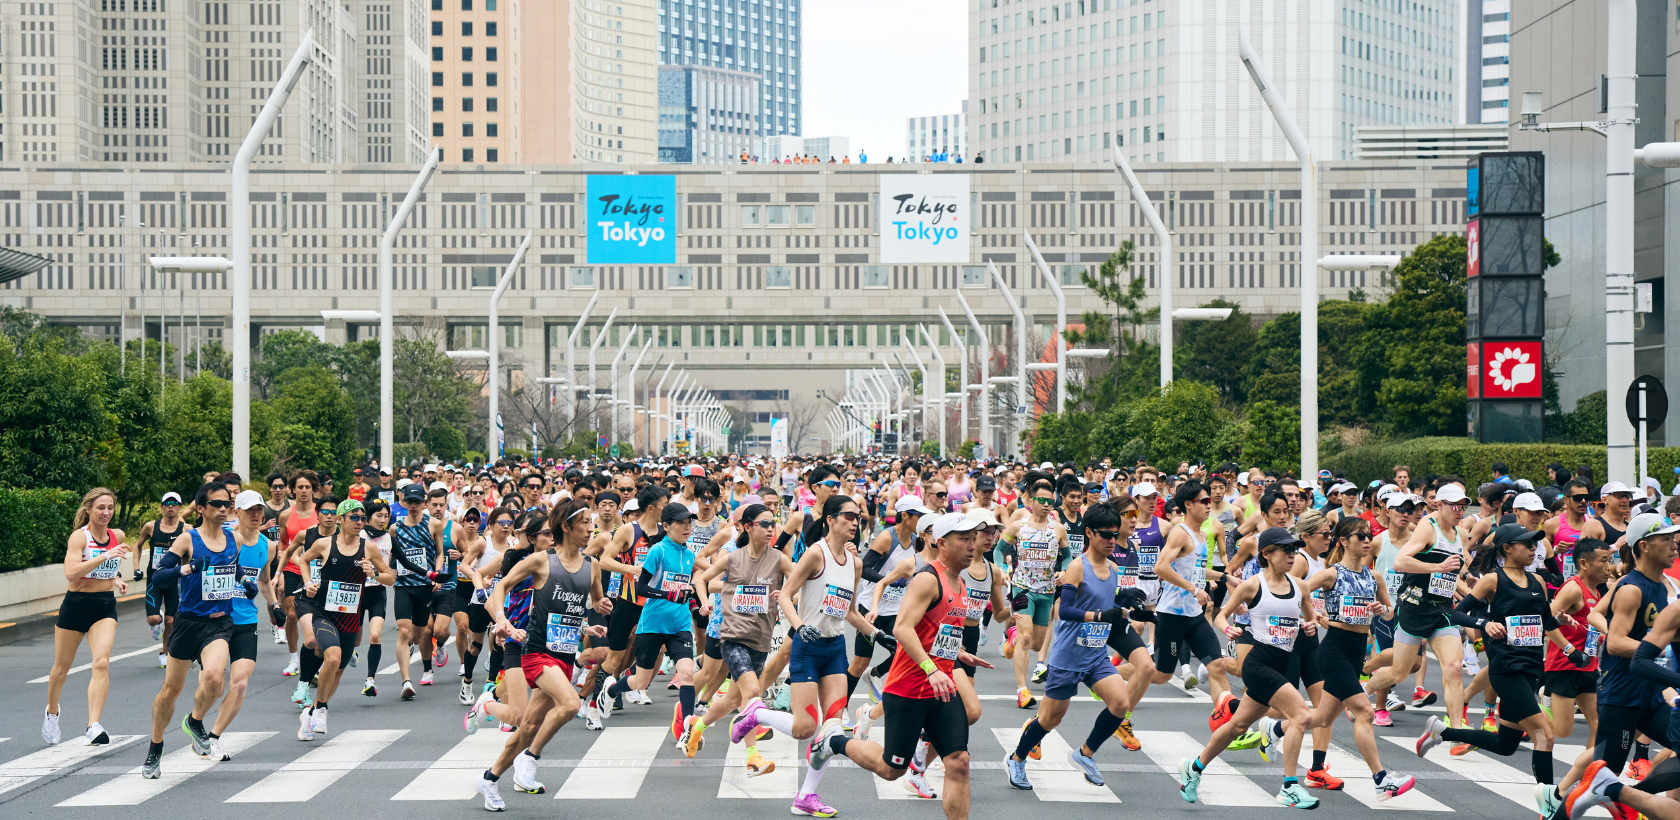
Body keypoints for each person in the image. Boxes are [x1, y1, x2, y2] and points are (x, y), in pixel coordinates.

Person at [790, 512, 992, 820]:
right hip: (909, 690)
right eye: (964, 539)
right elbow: (902, 628)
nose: (972, 545)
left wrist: (958, 653)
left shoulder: (960, 585)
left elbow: (937, 632)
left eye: (972, 538)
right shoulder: (928, 578)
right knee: (891, 769)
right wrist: (932, 668)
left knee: (958, 761)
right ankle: (834, 741)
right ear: (941, 544)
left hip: (941, 690)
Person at [729, 494, 896, 817]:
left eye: (858, 517)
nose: (854, 522)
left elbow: (848, 611)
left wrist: (875, 634)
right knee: (805, 728)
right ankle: (756, 714)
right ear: (830, 520)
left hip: (834, 649)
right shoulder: (814, 555)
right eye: (848, 516)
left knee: (830, 729)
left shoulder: (855, 563)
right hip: (807, 646)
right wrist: (799, 626)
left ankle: (806, 796)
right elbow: (785, 596)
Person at [1417, 524, 1586, 818]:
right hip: (1506, 668)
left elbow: (1546, 621)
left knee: (1505, 745)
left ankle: (1442, 733)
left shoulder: (1538, 581)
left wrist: (1571, 650)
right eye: (1526, 543)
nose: (1534, 548)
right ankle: (1549, 804)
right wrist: (1483, 624)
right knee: (1544, 735)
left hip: (1531, 668)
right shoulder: (1493, 581)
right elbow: (1455, 612)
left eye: (1535, 543)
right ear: (1507, 547)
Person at [1273, 516, 1416, 799]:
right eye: (1360, 536)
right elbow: (1297, 593)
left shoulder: (1374, 576)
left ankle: (1275, 728)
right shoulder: (1331, 574)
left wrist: (1381, 609)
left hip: (1356, 650)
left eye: (1368, 536)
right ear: (1344, 541)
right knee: (1365, 711)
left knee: (1322, 718)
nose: (1366, 541)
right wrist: (1312, 618)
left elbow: (1390, 610)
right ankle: (1381, 780)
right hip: (1334, 649)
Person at [1005, 501, 1145, 790]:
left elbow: (1110, 606)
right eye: (1106, 534)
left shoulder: (1114, 568)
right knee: (1050, 719)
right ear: (1090, 533)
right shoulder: (1077, 567)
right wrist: (1099, 615)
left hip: (1095, 655)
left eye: (1115, 534)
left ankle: (1085, 754)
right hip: (1068, 656)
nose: (1111, 540)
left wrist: (1132, 608)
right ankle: (1017, 758)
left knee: (1120, 703)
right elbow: (1065, 609)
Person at [477, 504, 610, 809]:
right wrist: (503, 620)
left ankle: (489, 778)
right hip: (536, 651)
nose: (591, 529)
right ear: (566, 526)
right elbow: (501, 588)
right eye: (585, 523)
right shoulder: (540, 561)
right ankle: (532, 757)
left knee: (527, 727)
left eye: (591, 524)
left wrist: (602, 608)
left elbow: (596, 599)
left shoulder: (593, 565)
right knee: (571, 703)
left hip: (564, 654)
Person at [1178, 527, 1320, 809]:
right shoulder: (1252, 585)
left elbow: (1308, 617)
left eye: (1294, 550)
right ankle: (1289, 787)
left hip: (1285, 662)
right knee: (1301, 715)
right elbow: (1221, 615)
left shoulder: (1300, 585)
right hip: (1259, 662)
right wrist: (1228, 629)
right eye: (1286, 550)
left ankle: (1193, 768)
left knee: (1238, 726)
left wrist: (1310, 624)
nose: (1292, 555)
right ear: (1267, 554)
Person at [1552, 513, 1680, 809]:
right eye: (1665, 539)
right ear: (1645, 546)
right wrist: (1658, 650)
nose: (1674, 544)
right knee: (1601, 776)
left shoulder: (1661, 586)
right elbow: (1616, 642)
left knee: (1605, 781)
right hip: (1621, 698)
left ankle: (1626, 798)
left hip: (1649, 695)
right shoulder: (1632, 588)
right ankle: (1567, 809)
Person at [141, 482, 259, 778]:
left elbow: (232, 567)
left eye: (226, 504)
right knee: (171, 691)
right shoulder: (187, 540)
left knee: (214, 677)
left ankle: (195, 721)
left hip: (220, 622)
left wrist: (245, 582)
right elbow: (159, 577)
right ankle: (156, 746)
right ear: (202, 508)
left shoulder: (236, 539)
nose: (223, 509)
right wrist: (189, 568)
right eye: (216, 504)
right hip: (188, 622)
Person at [688, 502, 796, 763]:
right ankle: (752, 756)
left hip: (761, 641)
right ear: (748, 527)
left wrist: (789, 595)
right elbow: (700, 579)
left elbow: (803, 580)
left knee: (731, 700)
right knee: (752, 692)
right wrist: (704, 602)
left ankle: (698, 726)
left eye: (774, 523)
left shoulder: (779, 560)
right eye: (765, 524)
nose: (772, 529)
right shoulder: (732, 558)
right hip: (733, 638)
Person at [1363, 483, 1470, 737]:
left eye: (1463, 506)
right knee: (1400, 672)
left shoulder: (1462, 534)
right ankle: (1362, 692)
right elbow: (1401, 562)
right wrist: (1437, 568)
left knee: (1454, 667)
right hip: (1413, 607)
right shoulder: (1426, 528)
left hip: (1442, 610)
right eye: (1454, 505)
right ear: (1440, 505)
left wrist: (1473, 587)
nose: (1460, 510)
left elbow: (1456, 572)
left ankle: (1457, 733)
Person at [594, 502, 704, 746]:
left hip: (680, 625)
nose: (687, 528)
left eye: (689, 523)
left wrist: (694, 603)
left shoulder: (689, 554)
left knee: (687, 673)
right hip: (652, 624)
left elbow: (684, 587)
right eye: (681, 523)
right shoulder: (658, 551)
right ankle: (611, 690)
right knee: (640, 682)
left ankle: (687, 729)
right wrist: (669, 595)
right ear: (666, 526)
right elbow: (641, 586)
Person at [292, 499, 394, 739]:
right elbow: (304, 560)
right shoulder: (324, 544)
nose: (359, 522)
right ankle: (323, 710)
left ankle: (311, 713)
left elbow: (390, 578)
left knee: (337, 671)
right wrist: (307, 583)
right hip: (324, 614)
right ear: (340, 520)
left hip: (351, 618)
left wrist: (375, 574)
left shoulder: (368, 548)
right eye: (354, 518)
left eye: (362, 518)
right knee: (333, 657)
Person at [45, 488, 130, 746]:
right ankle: (51, 712)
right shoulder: (79, 538)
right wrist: (105, 555)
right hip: (75, 606)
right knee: (61, 668)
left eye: (110, 508)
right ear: (89, 510)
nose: (106, 513)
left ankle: (93, 724)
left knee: (102, 663)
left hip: (104, 607)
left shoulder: (118, 536)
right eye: (101, 508)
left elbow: (104, 568)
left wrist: (115, 580)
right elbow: (72, 573)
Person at [206, 490, 275, 758]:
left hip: (246, 621)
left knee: (240, 684)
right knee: (214, 684)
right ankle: (197, 723)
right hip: (216, 620)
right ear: (238, 513)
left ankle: (213, 737)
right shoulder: (222, 541)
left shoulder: (267, 546)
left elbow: (264, 582)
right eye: (250, 510)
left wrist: (275, 605)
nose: (257, 515)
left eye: (260, 510)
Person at [999, 476, 1071, 708]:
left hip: (1047, 590)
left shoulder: (1058, 529)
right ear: (1031, 501)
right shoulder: (1018, 526)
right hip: (1022, 588)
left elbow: (1068, 556)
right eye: (1041, 499)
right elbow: (999, 550)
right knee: (1025, 637)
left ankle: (1012, 637)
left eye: (1051, 500)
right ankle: (1022, 691)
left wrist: (1065, 572)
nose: (1047, 504)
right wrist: (1003, 570)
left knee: (1037, 645)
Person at [389, 482, 448, 700]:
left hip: (424, 585)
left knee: (418, 634)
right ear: (403, 502)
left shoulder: (433, 524)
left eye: (416, 502)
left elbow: (440, 553)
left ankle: (411, 646)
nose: (413, 506)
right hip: (404, 585)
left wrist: (437, 572)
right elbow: (392, 557)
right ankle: (406, 681)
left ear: (424, 503)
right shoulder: (395, 527)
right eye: (409, 502)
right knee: (403, 632)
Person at [276, 470, 323, 677]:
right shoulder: (286, 515)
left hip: (318, 570)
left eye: (307, 487)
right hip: (293, 569)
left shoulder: (321, 514)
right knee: (292, 614)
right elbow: (285, 542)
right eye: (299, 487)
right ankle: (294, 659)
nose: (303, 491)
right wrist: (280, 567)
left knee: (318, 615)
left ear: (313, 490)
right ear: (292, 490)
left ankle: (319, 655)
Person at [139, 493, 187, 668]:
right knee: (154, 619)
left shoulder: (186, 529)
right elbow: (137, 546)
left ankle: (164, 652)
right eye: (167, 504)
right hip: (155, 580)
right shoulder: (151, 527)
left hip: (175, 582)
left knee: (171, 621)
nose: (171, 507)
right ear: (162, 506)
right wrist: (136, 567)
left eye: (175, 504)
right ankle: (156, 623)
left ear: (180, 507)